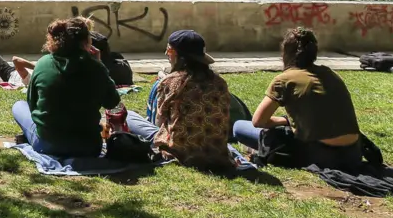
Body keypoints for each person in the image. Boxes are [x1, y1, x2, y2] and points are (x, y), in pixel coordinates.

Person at [232, 27, 363, 171]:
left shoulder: (285, 79)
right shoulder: (330, 74)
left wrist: (284, 121)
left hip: (320, 154)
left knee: (238, 126)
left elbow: (258, 121)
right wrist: (287, 120)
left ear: (286, 53)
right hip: (353, 153)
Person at [125, 31, 234, 171]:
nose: (166, 53)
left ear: (175, 53)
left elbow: (158, 121)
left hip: (180, 151)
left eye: (169, 49)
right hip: (215, 152)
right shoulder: (220, 83)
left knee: (130, 116)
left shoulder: (171, 82)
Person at [11, 17, 120, 157]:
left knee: (19, 106)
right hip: (89, 147)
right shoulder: (96, 68)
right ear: (87, 40)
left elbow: (33, 105)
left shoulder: (43, 63)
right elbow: (112, 102)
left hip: (49, 145)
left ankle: (32, 138)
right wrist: (99, 64)